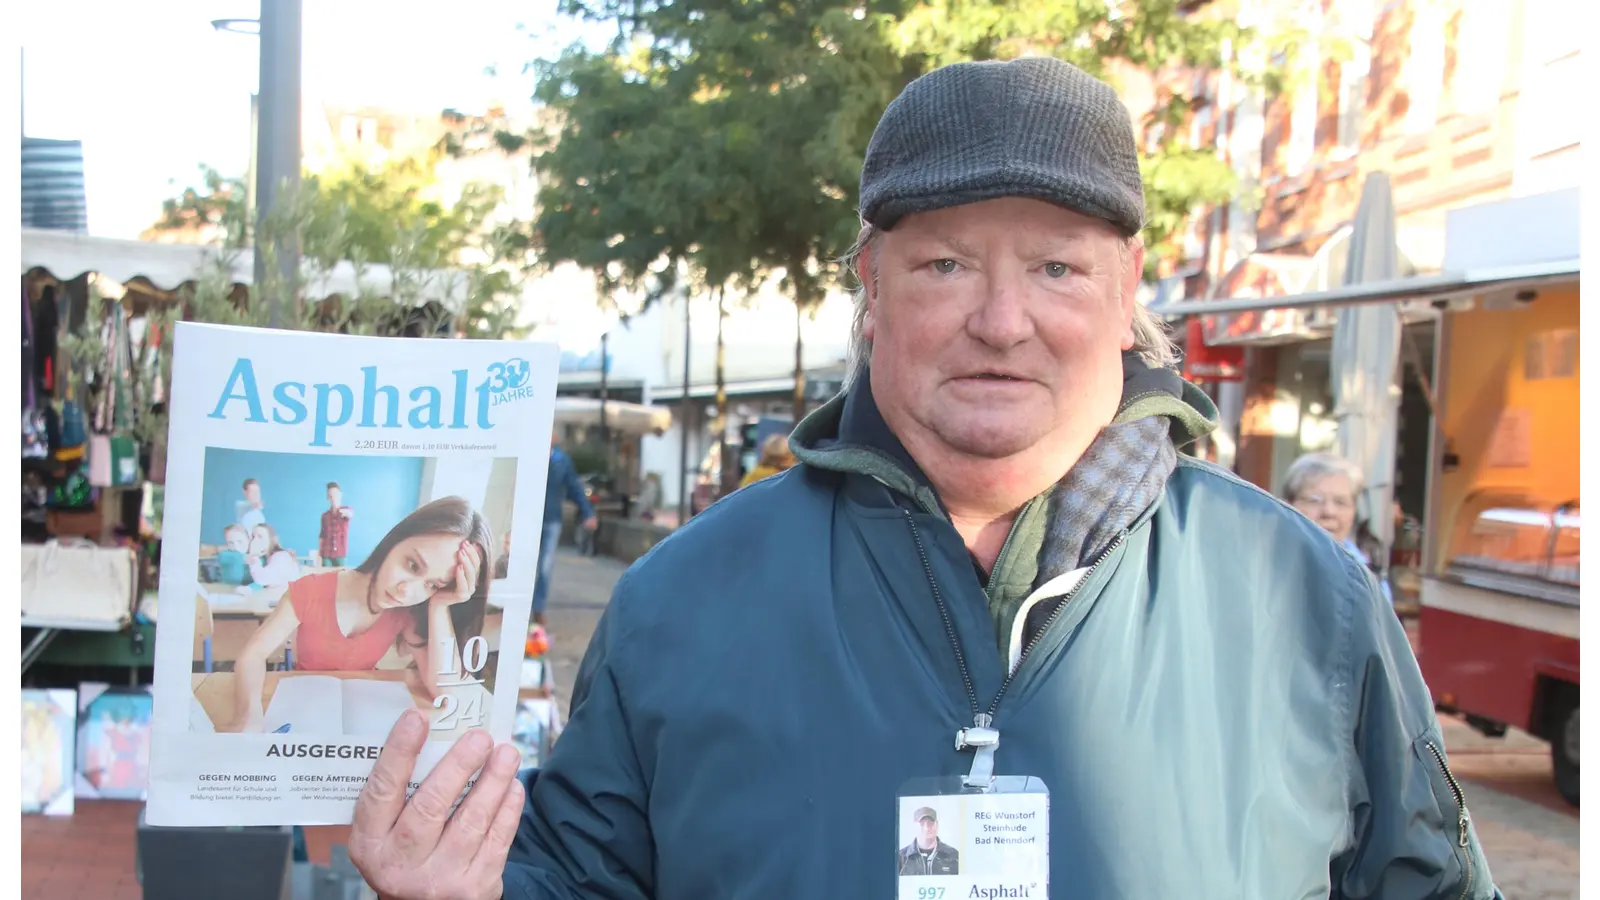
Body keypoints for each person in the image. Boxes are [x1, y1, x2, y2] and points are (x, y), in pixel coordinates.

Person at [348, 58, 1500, 900]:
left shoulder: (1306, 600)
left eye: (1056, 265)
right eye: (945, 263)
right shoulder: (679, 603)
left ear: (1125, 285)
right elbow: (575, 883)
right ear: (871, 283)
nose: (1002, 322)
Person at [229, 497, 494, 733]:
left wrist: (439, 605)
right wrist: (249, 714)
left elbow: (443, 689)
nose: (406, 591)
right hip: (303, 705)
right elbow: (253, 654)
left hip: (364, 714)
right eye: (412, 565)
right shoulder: (309, 590)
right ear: (394, 541)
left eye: (432, 584)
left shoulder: (408, 611)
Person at [1283, 452, 1394, 605]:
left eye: (1341, 502)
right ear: (1286, 506)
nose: (1329, 512)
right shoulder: (1264, 564)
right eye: (1314, 501)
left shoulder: (1369, 578)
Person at [533, 436, 596, 626]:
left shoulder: (561, 460)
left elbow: (574, 487)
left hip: (552, 520)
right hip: (530, 521)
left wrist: (588, 513)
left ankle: (538, 607)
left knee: (545, 567)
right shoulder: (532, 455)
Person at [897, 807, 959, 877]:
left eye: (930, 823)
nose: (926, 828)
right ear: (914, 826)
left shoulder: (953, 856)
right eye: (922, 824)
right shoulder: (901, 858)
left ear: (937, 824)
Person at [245, 523, 301, 589]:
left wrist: (254, 557)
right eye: (253, 537)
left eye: (260, 536)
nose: (254, 541)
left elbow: (262, 579)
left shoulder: (281, 556)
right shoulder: (268, 558)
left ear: (271, 540)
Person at [319, 481, 355, 568]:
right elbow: (322, 536)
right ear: (328, 497)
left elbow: (350, 514)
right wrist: (319, 555)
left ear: (340, 494)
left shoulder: (346, 510)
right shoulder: (325, 516)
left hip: (340, 554)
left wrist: (339, 509)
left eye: (335, 494)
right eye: (330, 495)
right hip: (326, 555)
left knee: (341, 578)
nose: (333, 497)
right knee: (326, 578)